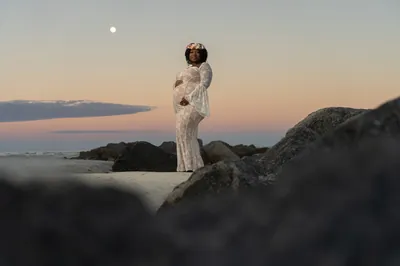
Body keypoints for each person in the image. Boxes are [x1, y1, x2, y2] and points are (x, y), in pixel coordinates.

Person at [173, 42, 213, 172]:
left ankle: (190, 167)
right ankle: (187, 167)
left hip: (193, 104)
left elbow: (204, 84)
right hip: (181, 107)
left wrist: (189, 97)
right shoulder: (187, 69)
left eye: (197, 52)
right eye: (191, 52)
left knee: (185, 132)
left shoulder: (204, 66)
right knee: (183, 134)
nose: (194, 54)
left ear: (202, 54)